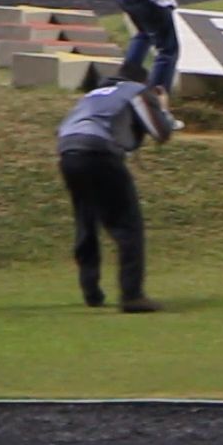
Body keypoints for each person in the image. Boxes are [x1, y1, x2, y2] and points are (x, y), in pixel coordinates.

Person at [55, 78, 176, 312]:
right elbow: (161, 132)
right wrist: (162, 107)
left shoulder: (92, 95)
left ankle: (91, 291)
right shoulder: (137, 91)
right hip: (99, 151)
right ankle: (132, 295)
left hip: (68, 152)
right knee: (128, 224)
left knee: (85, 218)